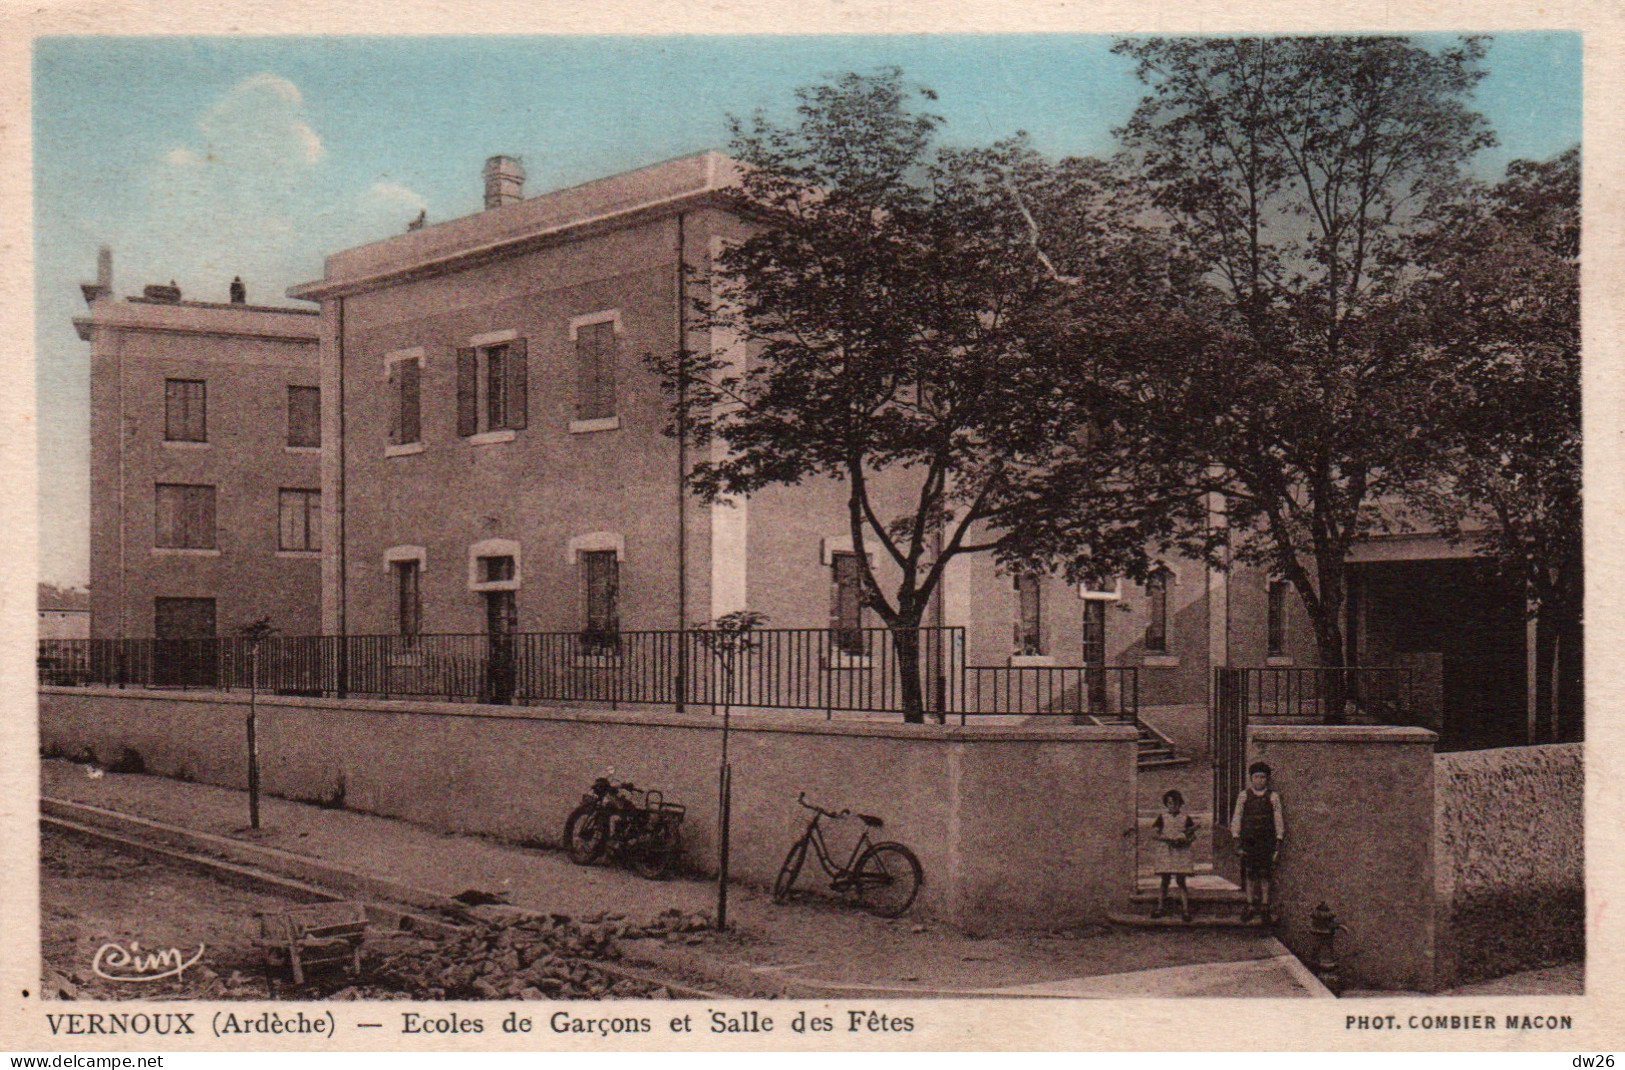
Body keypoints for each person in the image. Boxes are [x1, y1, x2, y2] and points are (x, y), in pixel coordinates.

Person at [1230, 761, 1286, 923]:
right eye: (1256, 777)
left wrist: (1279, 838)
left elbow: (1278, 818)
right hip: (1249, 841)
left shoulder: (1273, 797)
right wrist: (1236, 837)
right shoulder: (1244, 796)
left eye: (1263, 777)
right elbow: (1237, 817)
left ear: (1267, 779)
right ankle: (1250, 905)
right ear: (1251, 778)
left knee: (1265, 875)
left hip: (1266, 842)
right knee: (1250, 874)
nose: (1260, 780)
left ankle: (1264, 906)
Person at [1150, 789, 1198, 923]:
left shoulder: (1185, 818)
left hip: (1180, 852)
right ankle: (1160, 907)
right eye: (1170, 803)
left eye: (1175, 803)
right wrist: (1167, 838)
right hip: (1166, 851)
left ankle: (1185, 910)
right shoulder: (1162, 817)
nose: (1172, 805)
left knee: (1181, 881)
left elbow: (1192, 835)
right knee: (1164, 880)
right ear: (1166, 804)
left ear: (1180, 804)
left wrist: (1185, 840)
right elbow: (1154, 834)